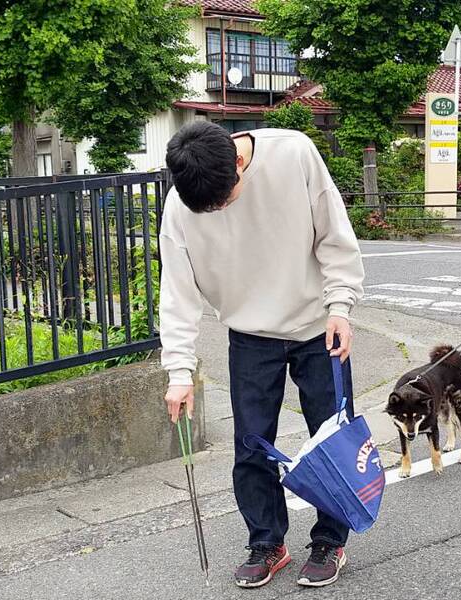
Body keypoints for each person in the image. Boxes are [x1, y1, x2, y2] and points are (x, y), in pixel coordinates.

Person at [159, 121, 365, 588]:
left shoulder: (293, 153)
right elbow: (177, 292)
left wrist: (341, 307)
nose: (214, 210)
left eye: (222, 200)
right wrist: (179, 370)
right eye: (204, 207)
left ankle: (331, 540)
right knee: (252, 444)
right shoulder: (182, 205)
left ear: (236, 161)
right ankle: (267, 541)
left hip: (317, 324)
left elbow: (334, 234)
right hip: (250, 334)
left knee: (331, 439)